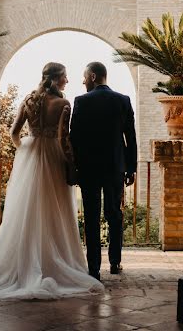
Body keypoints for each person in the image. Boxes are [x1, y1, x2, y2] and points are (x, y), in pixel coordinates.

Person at [0, 62, 104, 300]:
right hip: (53, 159)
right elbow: (64, 140)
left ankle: (24, 264)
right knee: (56, 211)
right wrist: (71, 164)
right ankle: (55, 261)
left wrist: (26, 151)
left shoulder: (29, 100)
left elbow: (13, 133)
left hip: (30, 157)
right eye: (64, 77)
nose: (67, 81)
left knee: (28, 211)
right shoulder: (63, 104)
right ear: (55, 80)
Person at [70, 61, 137, 281]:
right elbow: (131, 138)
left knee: (91, 217)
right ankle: (115, 261)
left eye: (84, 77)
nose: (82, 82)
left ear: (92, 76)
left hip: (89, 169)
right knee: (114, 214)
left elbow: (75, 138)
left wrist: (76, 167)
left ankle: (94, 268)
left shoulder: (81, 101)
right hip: (115, 167)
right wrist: (131, 167)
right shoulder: (123, 101)